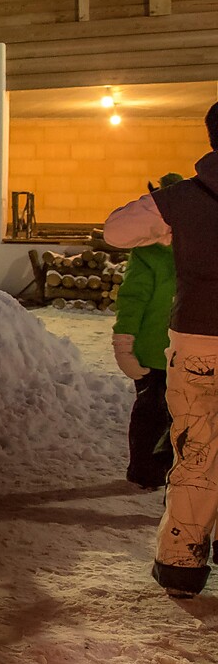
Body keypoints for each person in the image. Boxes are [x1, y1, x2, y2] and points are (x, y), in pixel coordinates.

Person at [105, 113, 218, 598]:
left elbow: (116, 230)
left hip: (197, 341)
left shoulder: (185, 197)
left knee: (196, 451)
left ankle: (181, 567)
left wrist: (167, 232)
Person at [112, 175, 180, 491]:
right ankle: (144, 470)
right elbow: (133, 297)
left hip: (186, 350)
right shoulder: (149, 253)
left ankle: (169, 470)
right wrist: (124, 341)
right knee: (151, 413)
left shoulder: (195, 248)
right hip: (154, 354)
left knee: (181, 417)